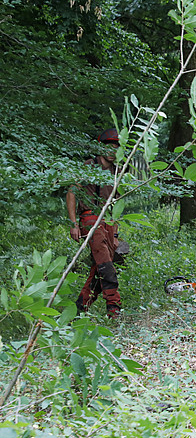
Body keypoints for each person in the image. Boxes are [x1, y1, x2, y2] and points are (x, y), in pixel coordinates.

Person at [66, 128, 122, 318]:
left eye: (117, 147)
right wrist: (74, 224)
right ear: (101, 147)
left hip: (108, 222)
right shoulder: (88, 166)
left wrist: (114, 234)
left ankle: (78, 310)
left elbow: (116, 205)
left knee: (98, 270)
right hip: (90, 220)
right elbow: (72, 193)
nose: (113, 151)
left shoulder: (117, 172)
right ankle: (114, 309)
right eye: (110, 147)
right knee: (106, 266)